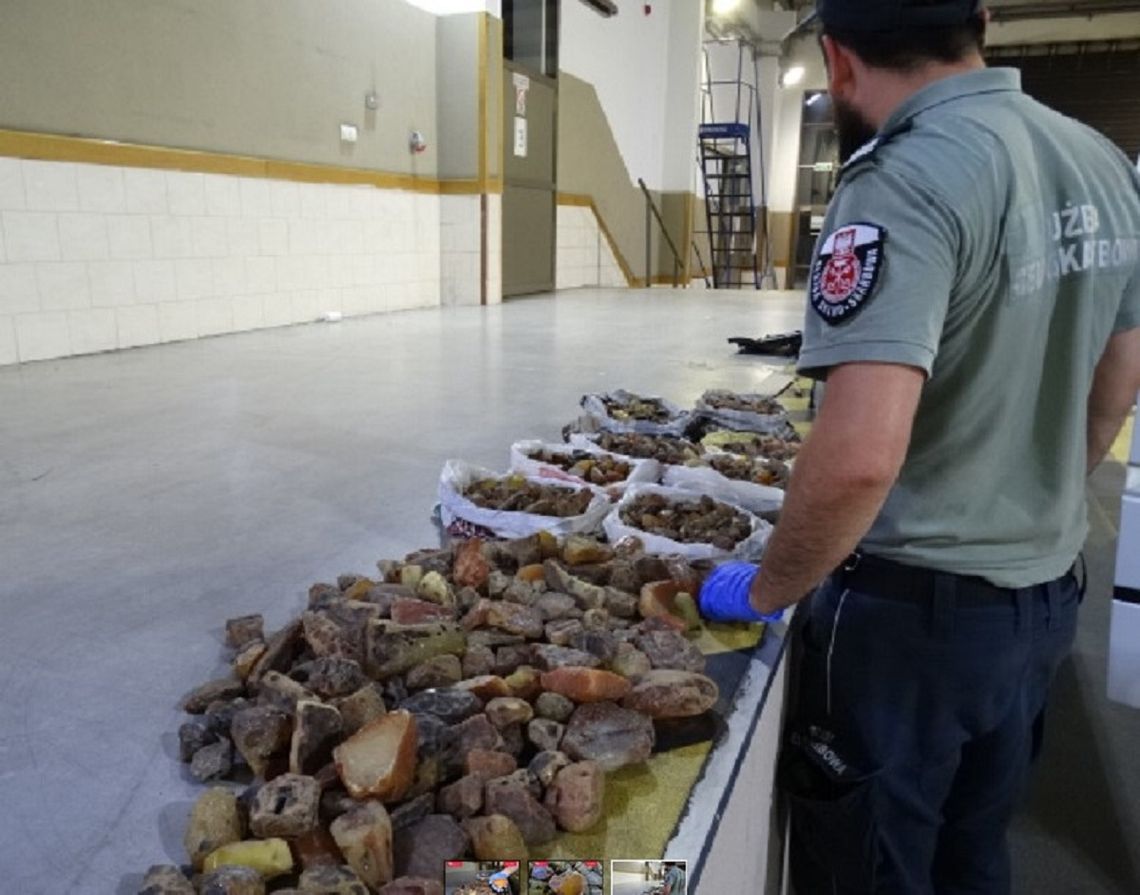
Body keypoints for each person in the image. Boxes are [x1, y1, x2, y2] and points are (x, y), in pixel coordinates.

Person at [699, 1, 1140, 893]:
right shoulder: (1099, 160)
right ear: (978, 21)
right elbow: (1116, 381)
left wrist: (769, 584)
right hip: (1044, 594)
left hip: (909, 623)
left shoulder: (900, 180)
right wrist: (1033, 500)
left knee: (872, 861)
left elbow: (860, 452)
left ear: (837, 61)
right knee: (974, 847)